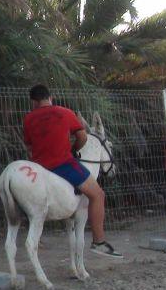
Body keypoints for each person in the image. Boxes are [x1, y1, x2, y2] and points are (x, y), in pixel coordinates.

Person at [22, 84, 120, 257]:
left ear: (33, 102)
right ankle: (98, 241)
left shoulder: (29, 118)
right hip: (63, 163)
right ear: (49, 97)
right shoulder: (65, 112)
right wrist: (74, 149)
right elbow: (82, 136)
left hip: (39, 168)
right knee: (98, 195)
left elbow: (29, 146)